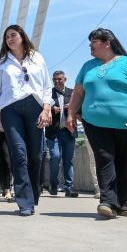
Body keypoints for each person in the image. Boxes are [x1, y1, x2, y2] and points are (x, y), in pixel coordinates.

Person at [67, 28, 127, 219]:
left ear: (107, 43)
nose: (90, 46)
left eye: (94, 42)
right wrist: (70, 114)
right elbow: (78, 93)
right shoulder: (87, 67)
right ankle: (107, 201)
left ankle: (124, 203)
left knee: (124, 161)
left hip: (126, 123)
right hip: (94, 122)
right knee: (104, 158)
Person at [0, 24, 52, 216]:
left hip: (35, 107)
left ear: (22, 37)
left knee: (36, 155)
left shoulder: (37, 58)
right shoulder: (1, 63)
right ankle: (24, 202)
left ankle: (32, 194)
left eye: (13, 35)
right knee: (19, 153)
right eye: (7, 37)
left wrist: (46, 110)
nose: (10, 39)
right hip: (11, 110)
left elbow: (46, 87)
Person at [45, 70, 79, 198]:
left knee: (68, 160)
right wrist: (51, 109)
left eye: (59, 79)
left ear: (65, 79)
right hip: (53, 133)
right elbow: (42, 108)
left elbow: (79, 108)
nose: (57, 81)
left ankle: (69, 188)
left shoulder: (73, 93)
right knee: (55, 157)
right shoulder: (48, 94)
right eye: (55, 79)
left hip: (69, 131)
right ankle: (53, 184)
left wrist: (72, 107)